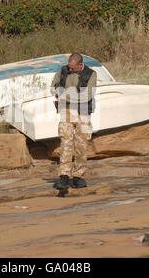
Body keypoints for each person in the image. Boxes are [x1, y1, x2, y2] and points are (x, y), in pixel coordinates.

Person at [50, 53, 96, 196]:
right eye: (69, 67)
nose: (70, 70)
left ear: (80, 64)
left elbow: (87, 95)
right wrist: (55, 91)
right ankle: (64, 176)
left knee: (82, 144)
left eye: (73, 68)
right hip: (66, 111)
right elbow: (54, 83)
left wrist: (67, 96)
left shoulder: (91, 74)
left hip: (83, 113)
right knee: (66, 143)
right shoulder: (63, 71)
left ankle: (79, 176)